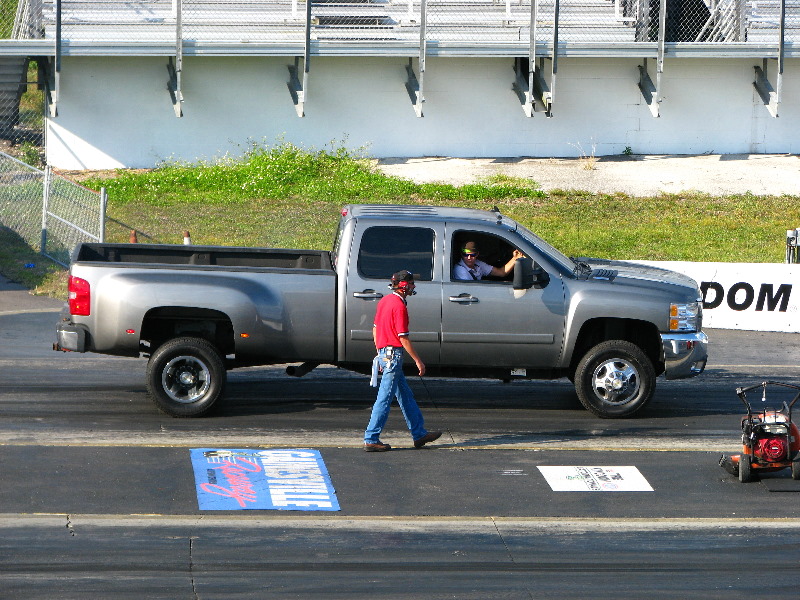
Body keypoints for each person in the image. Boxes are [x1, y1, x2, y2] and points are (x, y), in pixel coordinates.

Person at [364, 270, 442, 452]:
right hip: (394, 356)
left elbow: (375, 330)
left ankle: (419, 434)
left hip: (385, 355)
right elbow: (403, 338)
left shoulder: (384, 301)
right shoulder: (399, 306)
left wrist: (381, 355)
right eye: (411, 283)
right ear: (404, 285)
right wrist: (418, 361)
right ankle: (371, 437)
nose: (414, 286)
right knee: (384, 398)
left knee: (405, 396)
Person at [453, 241, 524, 281]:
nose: (469, 257)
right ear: (461, 255)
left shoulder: (477, 264)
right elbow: (471, 290)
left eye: (472, 255)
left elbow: (501, 272)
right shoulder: (460, 270)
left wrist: (515, 258)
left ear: (477, 254)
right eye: (465, 255)